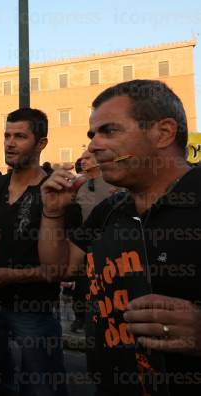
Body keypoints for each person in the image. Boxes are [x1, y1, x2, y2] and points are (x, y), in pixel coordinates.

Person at [38, 80, 201, 395]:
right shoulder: (110, 210)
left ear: (163, 133)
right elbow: (58, 270)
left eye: (109, 131)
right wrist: (53, 213)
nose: (92, 147)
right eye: (92, 135)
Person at [0, 108, 82, 396]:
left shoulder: (58, 193)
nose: (9, 142)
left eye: (20, 136)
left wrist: (12, 276)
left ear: (41, 143)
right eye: (7, 135)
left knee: (42, 386)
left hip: (35, 308)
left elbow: (66, 268)